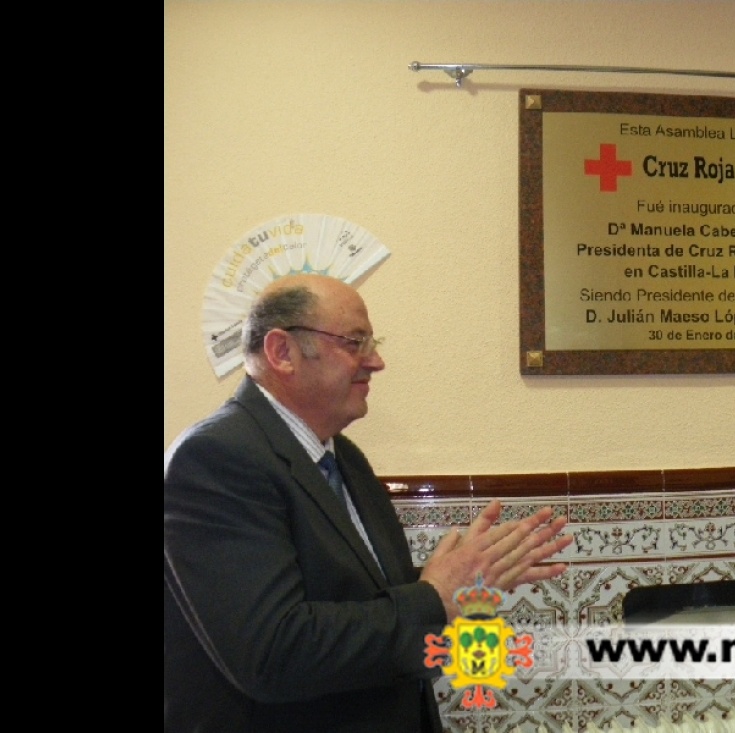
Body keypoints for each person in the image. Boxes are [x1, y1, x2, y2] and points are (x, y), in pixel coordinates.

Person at [164, 274, 574, 732]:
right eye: (354, 342)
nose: (374, 361)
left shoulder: (344, 457)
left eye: (371, 342)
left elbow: (369, 604)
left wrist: (463, 586)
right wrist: (435, 595)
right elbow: (272, 652)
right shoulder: (217, 457)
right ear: (282, 352)